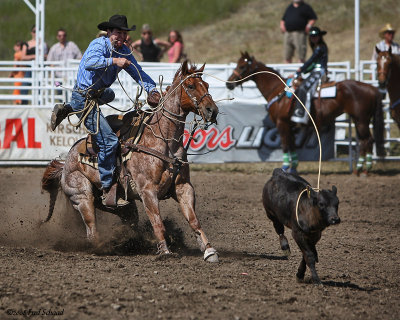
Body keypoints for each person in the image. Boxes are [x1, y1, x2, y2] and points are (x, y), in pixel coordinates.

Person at [50, 14, 161, 207]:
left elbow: (138, 72)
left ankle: (68, 108)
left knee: (109, 95)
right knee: (109, 140)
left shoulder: (124, 51)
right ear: (108, 32)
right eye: (118, 33)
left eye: (124, 33)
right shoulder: (98, 45)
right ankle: (108, 188)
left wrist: (152, 90)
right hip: (84, 97)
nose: (121, 37)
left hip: (98, 93)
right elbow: (89, 63)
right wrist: (115, 62)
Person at [291, 26, 328, 124]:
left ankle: (302, 114)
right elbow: (313, 64)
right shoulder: (318, 48)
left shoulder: (320, 48)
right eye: (312, 36)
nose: (314, 38)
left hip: (319, 72)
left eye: (316, 36)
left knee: (304, 88)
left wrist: (300, 70)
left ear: (320, 36)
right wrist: (302, 71)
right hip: (316, 71)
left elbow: (311, 61)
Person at [20, 25, 48, 104]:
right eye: (34, 31)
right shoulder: (27, 44)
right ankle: (24, 104)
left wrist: (41, 56)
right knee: (24, 87)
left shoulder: (43, 44)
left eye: (37, 32)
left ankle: (39, 104)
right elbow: (23, 57)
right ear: (31, 32)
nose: (36, 33)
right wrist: (34, 56)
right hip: (29, 68)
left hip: (39, 69)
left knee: (39, 88)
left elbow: (47, 55)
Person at [9, 41, 26, 105]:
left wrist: (11, 74)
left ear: (19, 47)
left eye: (15, 46)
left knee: (16, 93)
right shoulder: (24, 54)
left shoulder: (17, 54)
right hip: (23, 75)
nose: (14, 48)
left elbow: (15, 66)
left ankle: (17, 109)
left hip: (18, 76)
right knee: (21, 92)